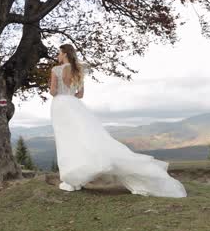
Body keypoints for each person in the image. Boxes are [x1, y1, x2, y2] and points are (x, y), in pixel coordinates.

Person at [49, 44, 187, 198]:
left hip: (61, 105)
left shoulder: (56, 70)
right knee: (85, 138)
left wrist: (58, 90)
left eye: (59, 53)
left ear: (65, 54)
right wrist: (70, 94)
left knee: (67, 141)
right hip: (75, 106)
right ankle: (76, 177)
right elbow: (80, 95)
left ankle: (72, 180)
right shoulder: (79, 70)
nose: (57, 56)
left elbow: (53, 91)